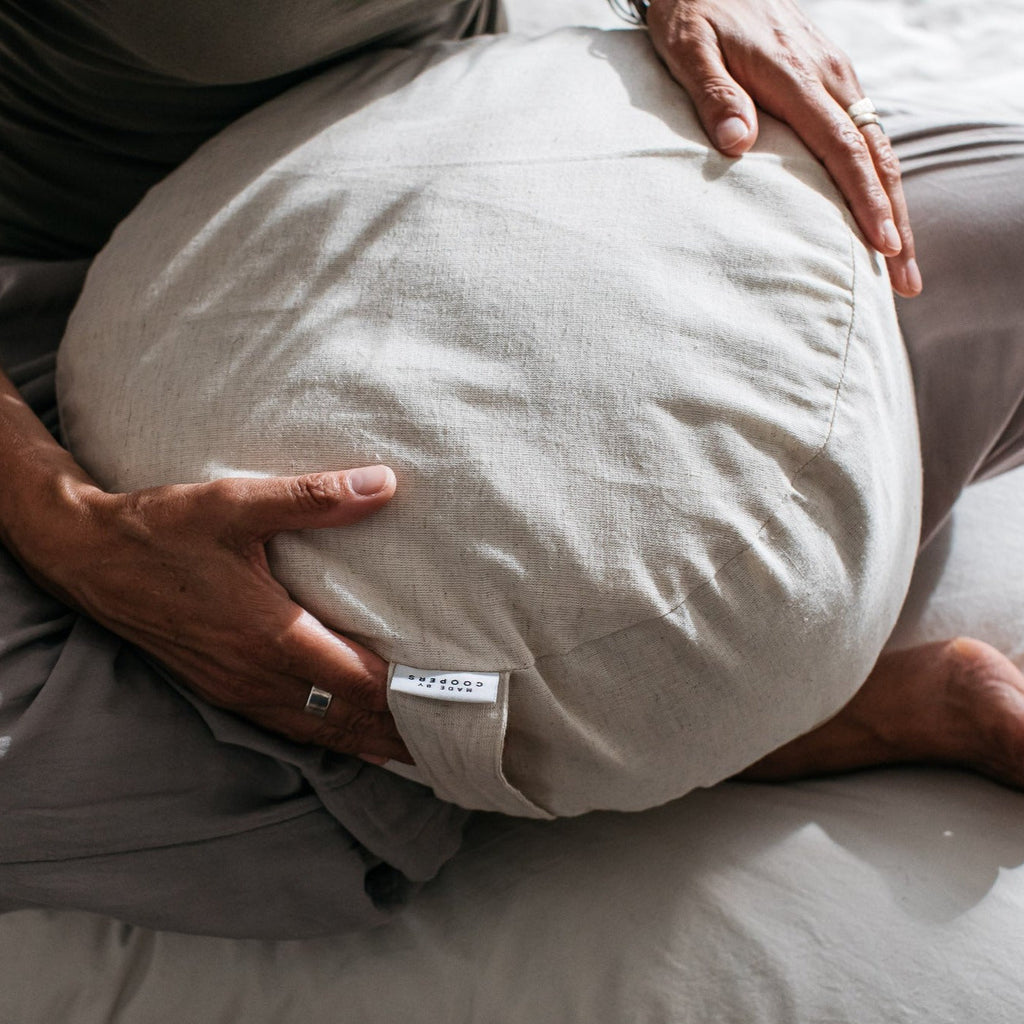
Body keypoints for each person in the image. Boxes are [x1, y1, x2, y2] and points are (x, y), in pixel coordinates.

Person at [0, 0, 1021, 937]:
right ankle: (682, 725)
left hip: (488, 139)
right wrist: (65, 523)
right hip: (40, 306)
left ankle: (533, 730)